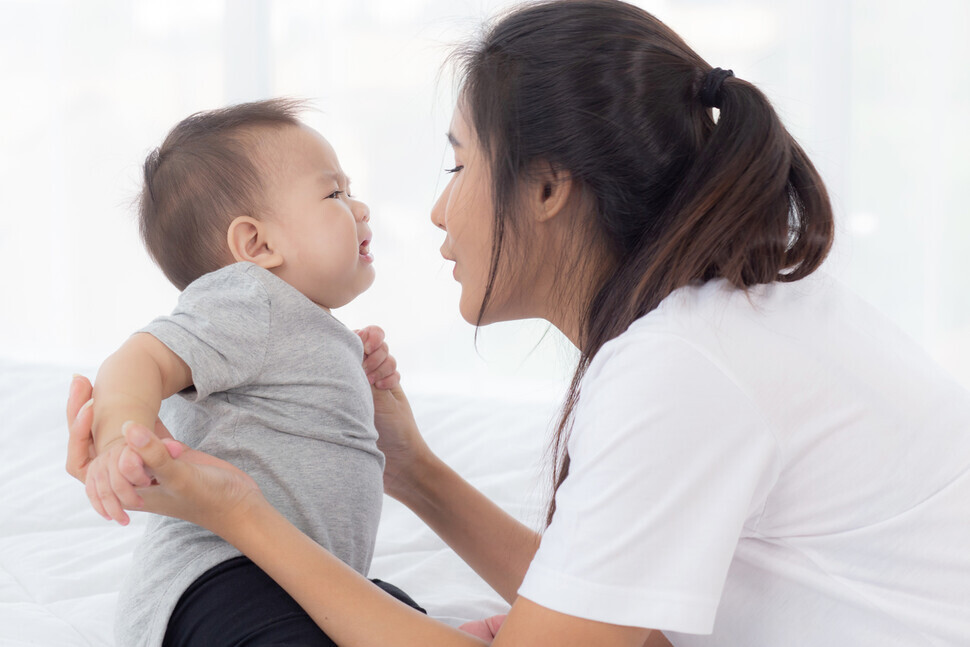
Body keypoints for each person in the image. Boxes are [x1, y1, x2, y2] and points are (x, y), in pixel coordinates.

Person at [67, 1, 970, 645]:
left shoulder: (684, 367)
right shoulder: (720, 321)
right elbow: (614, 614)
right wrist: (413, 470)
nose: (431, 213)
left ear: (545, 187)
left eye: (458, 166)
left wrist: (244, 514)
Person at [81, 99, 424, 646]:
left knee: (392, 605)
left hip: (305, 577)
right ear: (257, 245)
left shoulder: (295, 326)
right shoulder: (247, 298)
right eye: (334, 194)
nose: (360, 208)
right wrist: (118, 434)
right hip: (221, 577)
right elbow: (139, 356)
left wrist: (349, 378)